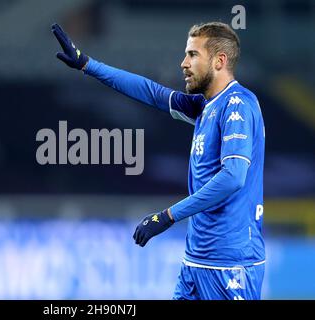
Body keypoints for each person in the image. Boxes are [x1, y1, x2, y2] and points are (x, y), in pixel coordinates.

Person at [51, 22, 266, 300]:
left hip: (230, 265)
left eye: (192, 54)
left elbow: (234, 177)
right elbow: (151, 92)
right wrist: (87, 64)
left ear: (219, 61)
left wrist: (167, 216)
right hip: (195, 261)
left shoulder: (238, 104)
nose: (183, 63)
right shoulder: (204, 106)